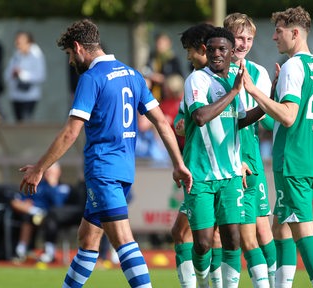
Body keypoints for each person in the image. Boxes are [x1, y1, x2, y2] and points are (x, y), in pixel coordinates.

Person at [18, 19, 192, 288]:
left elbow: (70, 133)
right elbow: (161, 123)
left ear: (78, 47)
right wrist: (178, 163)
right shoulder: (132, 74)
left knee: (123, 240)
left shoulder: (91, 78)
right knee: (88, 241)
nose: (70, 63)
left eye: (68, 55)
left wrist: (39, 169)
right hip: (124, 171)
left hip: (103, 172)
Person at [245, 6, 313, 287]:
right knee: (280, 229)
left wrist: (255, 91)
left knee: (303, 233)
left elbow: (288, 115)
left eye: (279, 31)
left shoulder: (294, 67)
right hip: (311, 158)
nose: (274, 37)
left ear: (295, 33)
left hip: (293, 160)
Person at [181, 26, 264, 288]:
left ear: (231, 54)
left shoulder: (232, 83)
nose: (216, 54)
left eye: (222, 49)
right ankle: (203, 281)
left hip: (229, 176)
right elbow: (200, 117)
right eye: (212, 49)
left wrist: (267, 102)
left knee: (233, 239)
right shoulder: (197, 80)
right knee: (203, 243)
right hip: (201, 175)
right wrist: (234, 93)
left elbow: (239, 121)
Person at [223, 12, 276, 288]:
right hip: (230, 160)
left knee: (258, 232)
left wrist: (267, 95)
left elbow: (267, 120)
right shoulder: (217, 71)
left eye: (249, 39)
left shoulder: (258, 72)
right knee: (244, 234)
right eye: (239, 37)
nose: (243, 44)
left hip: (250, 159)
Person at [170, 22, 224, 288]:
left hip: (209, 170)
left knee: (203, 236)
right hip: (201, 165)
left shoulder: (211, 79)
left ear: (203, 49)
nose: (188, 56)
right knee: (193, 234)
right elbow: (184, 115)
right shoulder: (199, 79)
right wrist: (181, 122)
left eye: (190, 50)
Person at [11, 162, 70, 262]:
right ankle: (21, 250)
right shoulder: (38, 185)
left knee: (50, 221)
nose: (48, 174)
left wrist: (52, 186)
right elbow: (23, 199)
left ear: (58, 172)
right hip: (34, 214)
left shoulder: (63, 188)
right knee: (26, 216)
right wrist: (27, 205)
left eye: (51, 172)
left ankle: (49, 252)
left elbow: (58, 205)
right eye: (47, 171)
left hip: (52, 217)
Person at [4, 31, 46, 122]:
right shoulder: (16, 55)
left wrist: (22, 74)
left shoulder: (36, 55)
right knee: (18, 122)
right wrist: (13, 74)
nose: (17, 44)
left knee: (26, 122)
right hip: (15, 95)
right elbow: (7, 75)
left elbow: (40, 76)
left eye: (20, 42)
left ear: (28, 42)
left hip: (29, 96)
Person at [143, 32, 184, 102]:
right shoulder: (152, 57)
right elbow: (145, 69)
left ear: (168, 44)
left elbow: (178, 77)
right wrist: (151, 76)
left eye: (161, 43)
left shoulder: (173, 59)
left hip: (167, 87)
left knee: (173, 83)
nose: (158, 45)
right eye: (158, 43)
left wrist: (163, 79)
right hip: (154, 86)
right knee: (145, 82)